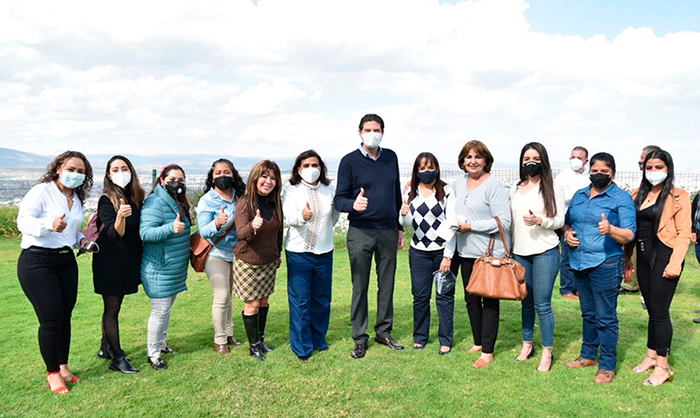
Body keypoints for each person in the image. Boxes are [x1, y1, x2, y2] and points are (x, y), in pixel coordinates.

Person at [16, 151, 94, 394]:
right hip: (37, 261)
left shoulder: (76, 198)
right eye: (71, 169)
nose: (75, 174)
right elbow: (23, 222)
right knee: (50, 318)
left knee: (65, 316)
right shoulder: (41, 191)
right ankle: (52, 374)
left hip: (66, 261)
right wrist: (48, 224)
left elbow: (71, 232)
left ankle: (63, 367)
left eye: (81, 172)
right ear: (58, 169)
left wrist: (82, 241)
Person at [333, 113, 405, 359]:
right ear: (360, 133)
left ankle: (384, 332)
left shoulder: (391, 157)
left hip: (388, 231)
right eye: (368, 130)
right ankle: (359, 337)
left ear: (382, 132)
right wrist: (354, 204)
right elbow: (339, 200)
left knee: (387, 284)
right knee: (360, 285)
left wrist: (399, 227)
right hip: (361, 231)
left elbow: (395, 194)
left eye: (376, 130)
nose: (372, 134)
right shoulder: (349, 162)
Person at [563, 152, 636, 384]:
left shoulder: (621, 198)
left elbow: (629, 234)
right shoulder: (579, 195)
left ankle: (607, 365)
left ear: (612, 173)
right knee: (588, 313)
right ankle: (588, 355)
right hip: (579, 262)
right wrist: (567, 233)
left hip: (606, 263)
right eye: (594, 171)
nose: (598, 175)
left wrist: (611, 229)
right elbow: (567, 222)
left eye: (604, 171)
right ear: (589, 171)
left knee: (605, 317)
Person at [443, 140, 511, 369]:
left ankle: (488, 352)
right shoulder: (458, 183)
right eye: (468, 157)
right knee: (471, 299)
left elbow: (504, 221)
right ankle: (478, 341)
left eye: (478, 157)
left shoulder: (494, 185)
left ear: (486, 160)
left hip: (489, 254)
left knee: (489, 300)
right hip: (465, 253)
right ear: (462, 161)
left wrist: (471, 226)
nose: (473, 161)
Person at [627, 149, 690, 386]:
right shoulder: (637, 194)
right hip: (643, 255)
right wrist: (627, 258)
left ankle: (663, 367)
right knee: (652, 310)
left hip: (665, 255)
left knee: (661, 312)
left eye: (659, 167)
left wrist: (675, 263)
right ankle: (651, 356)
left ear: (668, 169)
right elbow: (632, 231)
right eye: (649, 167)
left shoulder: (679, 196)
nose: (654, 172)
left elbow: (684, 233)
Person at [511, 143, 565, 372]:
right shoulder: (515, 188)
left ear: (543, 160)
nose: (530, 162)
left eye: (535, 158)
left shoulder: (553, 186)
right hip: (520, 253)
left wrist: (540, 221)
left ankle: (547, 351)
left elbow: (560, 220)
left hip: (545, 252)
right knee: (526, 302)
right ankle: (527, 344)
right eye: (526, 159)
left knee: (542, 304)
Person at [283, 150, 339, 360]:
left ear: (321, 168)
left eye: (314, 165)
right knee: (301, 301)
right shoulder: (291, 190)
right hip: (298, 254)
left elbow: (334, 216)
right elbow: (289, 217)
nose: (311, 169)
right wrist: (302, 216)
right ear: (298, 169)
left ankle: (319, 340)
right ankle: (302, 347)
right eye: (306, 165)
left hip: (324, 252)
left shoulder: (329, 189)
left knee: (322, 300)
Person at [92, 155, 144, 373]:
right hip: (110, 262)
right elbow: (115, 234)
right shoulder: (107, 200)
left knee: (116, 306)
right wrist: (121, 216)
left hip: (128, 261)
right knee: (112, 308)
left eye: (124, 168)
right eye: (115, 169)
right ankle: (118, 357)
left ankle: (106, 348)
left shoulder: (136, 197)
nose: (120, 173)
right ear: (108, 175)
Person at [140, 164, 192, 370]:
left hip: (173, 267)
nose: (177, 184)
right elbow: (146, 233)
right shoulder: (155, 202)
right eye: (172, 180)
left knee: (166, 310)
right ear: (162, 181)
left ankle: (161, 344)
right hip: (159, 268)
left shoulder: (177, 201)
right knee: (160, 311)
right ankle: (153, 354)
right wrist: (171, 228)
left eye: (181, 180)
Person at [401, 153, 454, 355]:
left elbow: (452, 224)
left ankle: (445, 340)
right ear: (416, 171)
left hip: (442, 251)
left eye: (430, 167)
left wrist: (448, 255)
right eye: (422, 168)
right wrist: (403, 214)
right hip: (418, 252)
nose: (426, 172)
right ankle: (420, 337)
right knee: (420, 297)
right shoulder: (410, 191)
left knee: (444, 296)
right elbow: (407, 223)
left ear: (437, 169)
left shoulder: (447, 191)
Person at [233, 160, 283, 361]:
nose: (268, 181)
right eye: (264, 176)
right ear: (255, 178)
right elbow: (240, 233)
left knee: (264, 301)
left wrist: (278, 253)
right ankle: (253, 347)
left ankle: (260, 340)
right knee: (252, 305)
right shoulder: (245, 202)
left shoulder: (275, 202)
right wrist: (253, 226)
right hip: (248, 262)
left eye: (273, 178)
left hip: (269, 261)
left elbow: (279, 231)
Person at [196, 159, 246, 354]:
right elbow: (203, 230)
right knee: (222, 295)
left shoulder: (239, 196)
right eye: (218, 173)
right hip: (215, 252)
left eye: (227, 172)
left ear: (233, 175)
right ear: (212, 176)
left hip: (236, 252)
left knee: (229, 295)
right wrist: (217, 223)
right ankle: (219, 340)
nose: (222, 176)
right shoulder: (207, 200)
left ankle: (229, 334)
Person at [620, 145, 663, 295]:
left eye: (643, 158)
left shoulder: (671, 190)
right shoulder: (641, 184)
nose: (639, 161)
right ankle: (631, 284)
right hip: (638, 233)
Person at [554, 146, 590, 300]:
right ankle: (567, 288)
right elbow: (559, 197)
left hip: (585, 219)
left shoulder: (590, 176)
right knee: (568, 254)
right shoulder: (563, 176)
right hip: (567, 220)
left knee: (583, 254)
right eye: (573, 157)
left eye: (579, 158)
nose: (575, 160)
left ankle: (580, 287)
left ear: (586, 161)